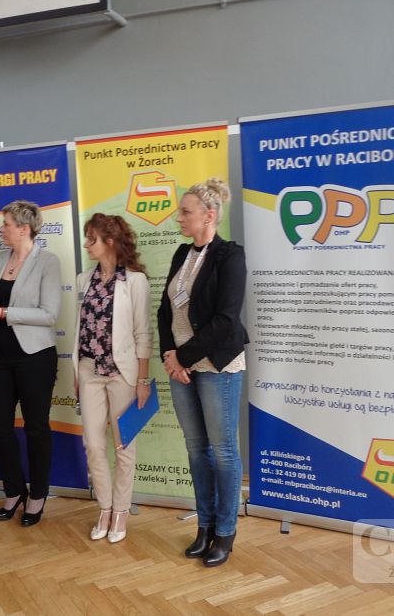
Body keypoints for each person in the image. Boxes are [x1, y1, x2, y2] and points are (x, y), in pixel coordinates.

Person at [157, 178, 249, 568]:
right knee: (197, 449)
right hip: (181, 367)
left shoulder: (230, 255)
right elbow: (165, 310)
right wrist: (169, 354)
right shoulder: (182, 253)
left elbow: (226, 319)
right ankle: (205, 526)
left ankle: (225, 532)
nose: (178, 218)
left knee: (223, 451)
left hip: (216, 365)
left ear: (209, 215)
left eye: (185, 212)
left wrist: (182, 357)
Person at [0, 200, 61, 526]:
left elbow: (49, 314)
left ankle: (38, 495)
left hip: (35, 357)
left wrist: (4, 313)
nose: (1, 229)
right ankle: (14, 491)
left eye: (6, 224)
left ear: (24, 228)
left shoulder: (47, 262)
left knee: (36, 427)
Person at [72, 213, 152, 544]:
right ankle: (104, 508)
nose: (86, 245)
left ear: (109, 242)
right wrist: (77, 372)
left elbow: (143, 334)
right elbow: (80, 330)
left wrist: (143, 381)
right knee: (92, 444)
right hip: (89, 372)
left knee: (123, 446)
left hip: (123, 374)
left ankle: (121, 511)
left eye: (91, 239)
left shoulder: (135, 281)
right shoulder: (83, 280)